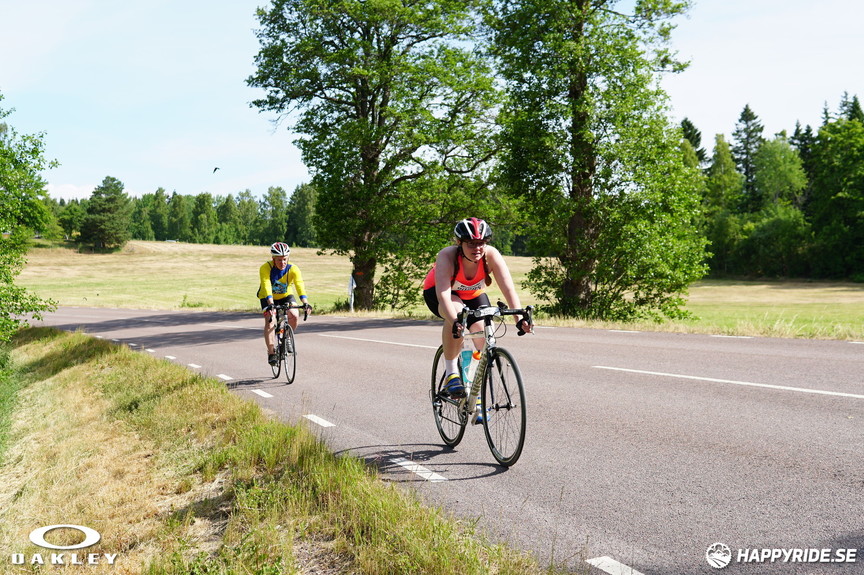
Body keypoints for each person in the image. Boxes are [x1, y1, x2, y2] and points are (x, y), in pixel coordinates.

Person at [423, 217, 531, 399]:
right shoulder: (447, 255)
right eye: (471, 244)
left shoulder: (491, 255)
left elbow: (508, 288)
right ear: (459, 243)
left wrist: (519, 320)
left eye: (481, 243)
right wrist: (456, 321)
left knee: (482, 335)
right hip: (440, 294)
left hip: (473, 295)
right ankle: (452, 374)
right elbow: (443, 294)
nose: (477, 248)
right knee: (458, 316)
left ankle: (472, 385)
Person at [257, 242, 312, 365]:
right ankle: (271, 353)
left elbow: (299, 285)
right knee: (270, 320)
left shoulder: (293, 269)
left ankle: (286, 336)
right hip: (267, 296)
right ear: (273, 259)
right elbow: (266, 285)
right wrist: (270, 303)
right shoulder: (265, 268)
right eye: (279, 260)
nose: (282, 263)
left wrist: (305, 302)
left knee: (294, 314)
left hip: (286, 295)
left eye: (285, 259)